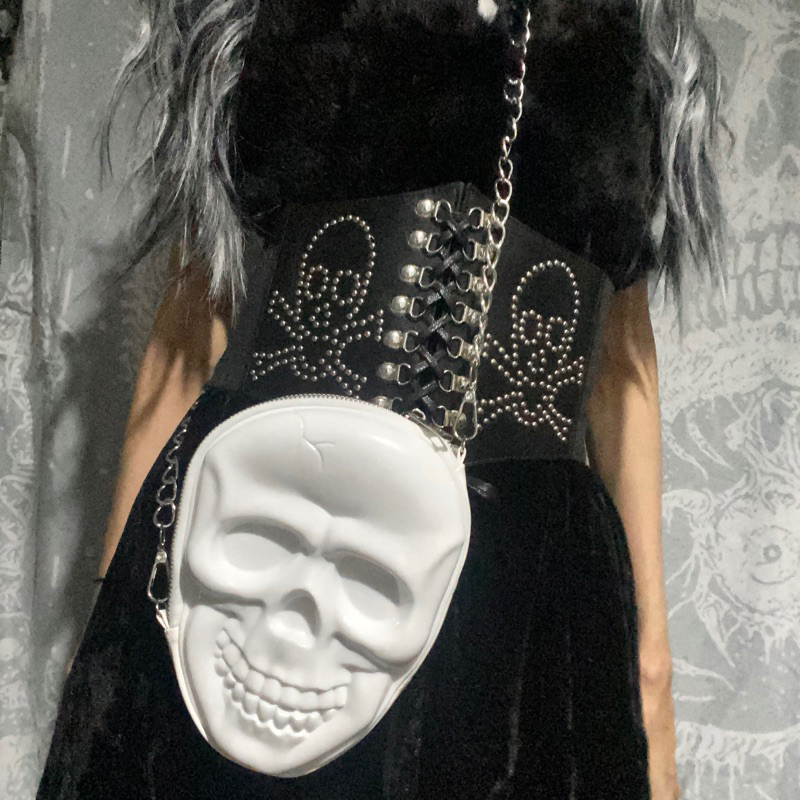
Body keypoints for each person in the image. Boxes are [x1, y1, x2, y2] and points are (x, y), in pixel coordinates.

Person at [37, 1, 727, 798]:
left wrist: (652, 675)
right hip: (275, 530)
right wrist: (115, 634)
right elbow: (193, 322)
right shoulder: (269, 15)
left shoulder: (620, 34)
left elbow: (620, 366)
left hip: (522, 586)